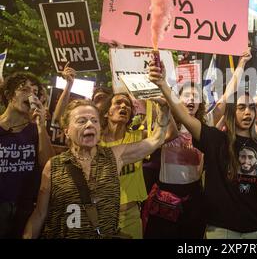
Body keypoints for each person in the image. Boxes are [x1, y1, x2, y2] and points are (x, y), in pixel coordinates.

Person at [149, 61, 257, 239]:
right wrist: (163, 84)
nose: (248, 112)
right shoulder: (215, 139)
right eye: (241, 107)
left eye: (252, 108)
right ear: (232, 112)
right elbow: (182, 115)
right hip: (220, 229)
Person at [23, 98, 169, 238]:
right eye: (81, 121)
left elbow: (157, 139)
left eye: (94, 121)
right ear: (66, 131)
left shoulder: (115, 156)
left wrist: (163, 108)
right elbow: (40, 213)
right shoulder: (53, 166)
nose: (89, 124)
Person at [98, 93, 175, 239]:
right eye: (118, 103)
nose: (123, 106)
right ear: (107, 112)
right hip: (100, 216)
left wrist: (164, 108)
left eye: (127, 104)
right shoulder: (94, 141)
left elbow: (168, 134)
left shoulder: (138, 136)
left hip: (130, 217)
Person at [143, 82, 207, 239]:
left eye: (196, 96)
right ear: (178, 100)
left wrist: (242, 64)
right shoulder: (165, 123)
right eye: (186, 95)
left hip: (193, 199)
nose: (191, 99)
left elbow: (224, 101)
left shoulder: (205, 127)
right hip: (166, 199)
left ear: (201, 103)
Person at [0, 72, 54, 238]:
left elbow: (48, 164)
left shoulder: (36, 130)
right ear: (9, 95)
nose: (31, 95)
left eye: (35, 92)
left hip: (25, 209)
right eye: (24, 89)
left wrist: (40, 126)